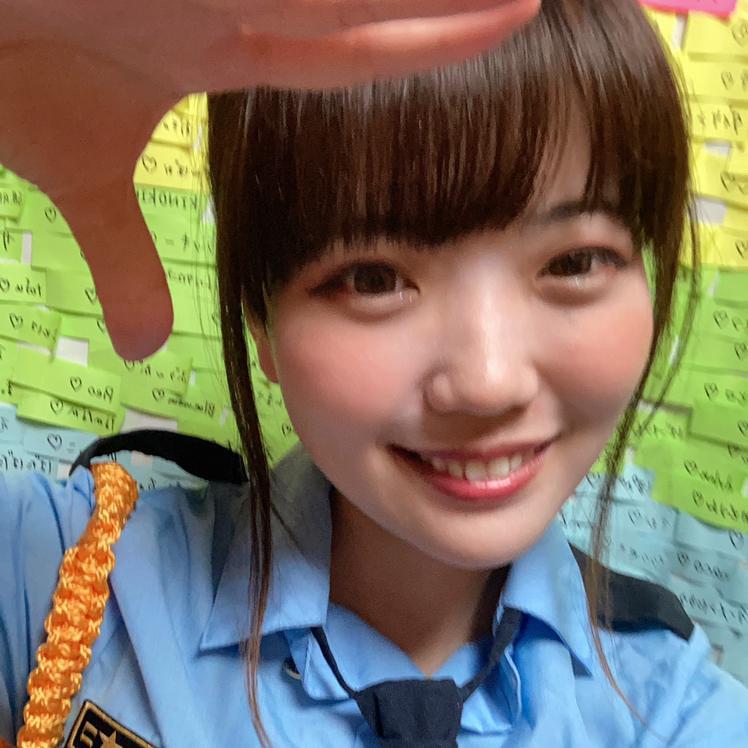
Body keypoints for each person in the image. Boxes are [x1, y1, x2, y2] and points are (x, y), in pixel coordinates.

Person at [2, 1, 748, 747]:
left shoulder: (677, 715)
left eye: (574, 262)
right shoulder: (70, 575)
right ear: (259, 316)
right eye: (373, 279)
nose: (488, 382)